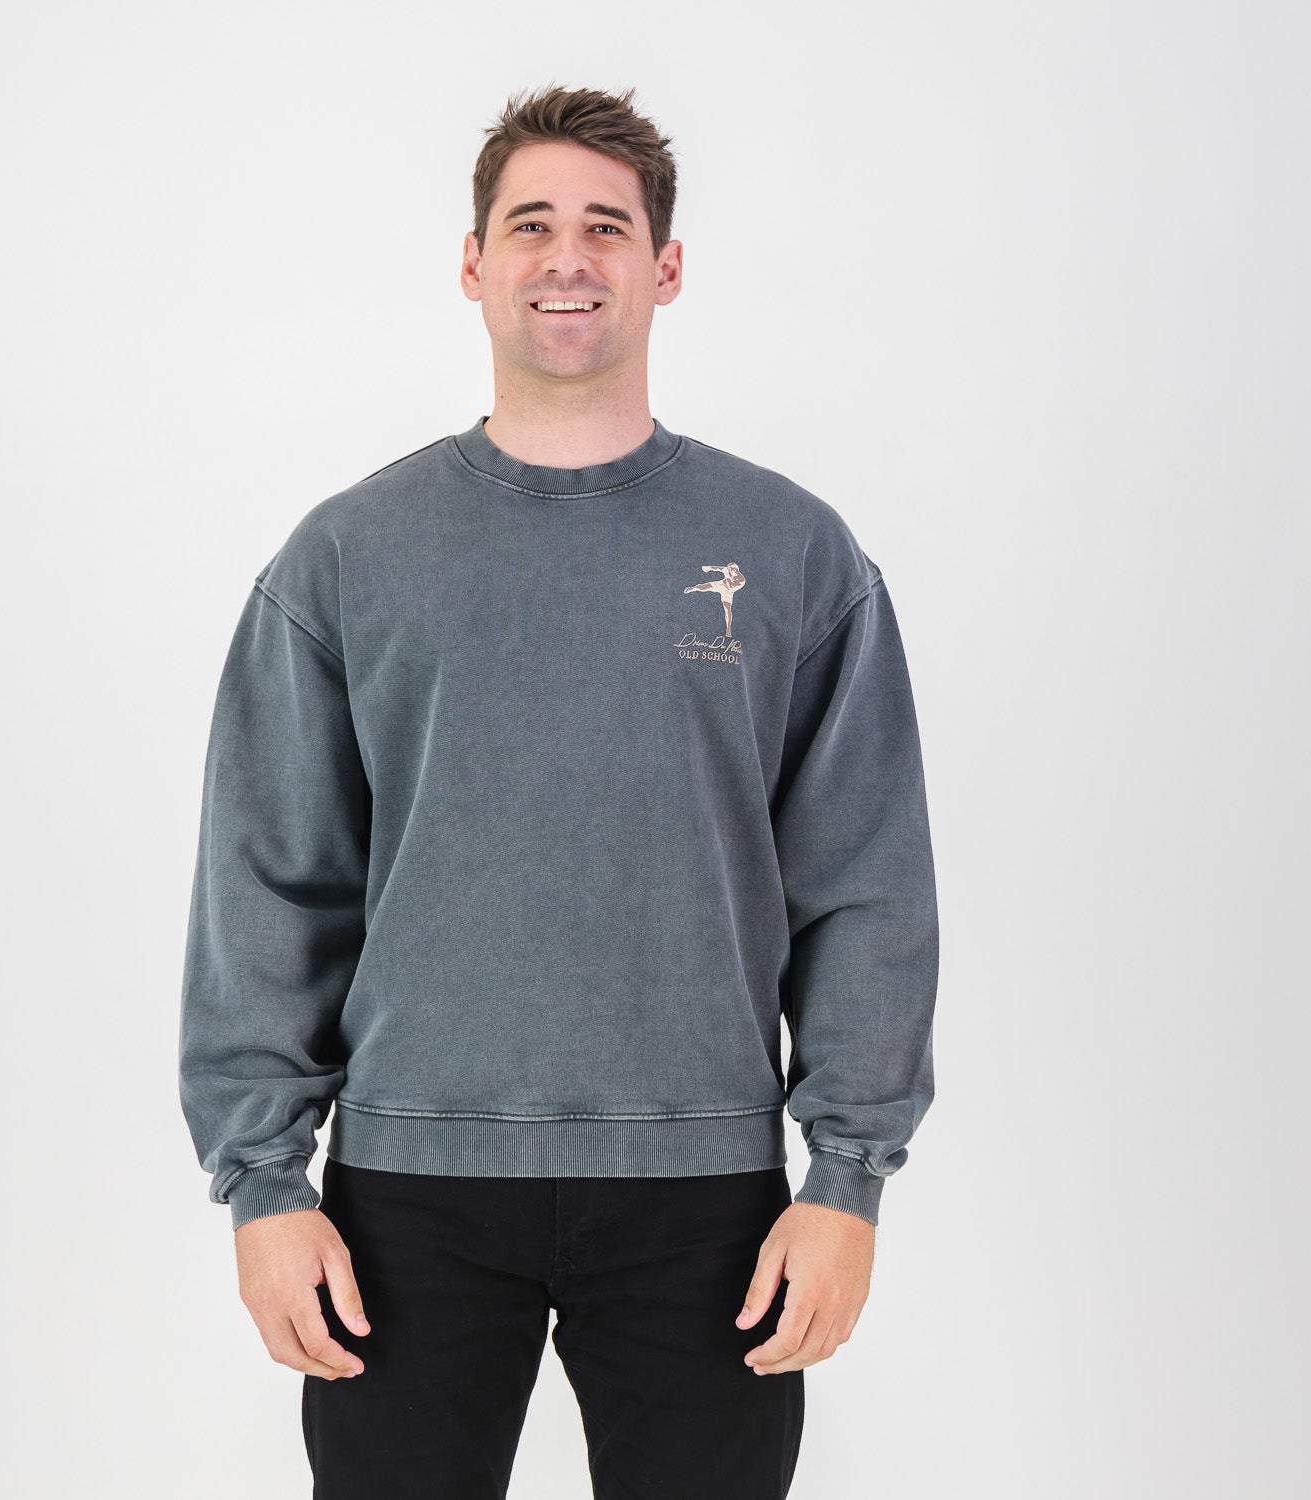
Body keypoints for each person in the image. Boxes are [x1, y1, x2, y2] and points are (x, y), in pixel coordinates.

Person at [178, 82, 940, 1499]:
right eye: (530, 224)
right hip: (408, 1194)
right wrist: (264, 1185)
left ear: (665, 267)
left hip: (705, 1197)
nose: (567, 257)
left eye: (606, 225)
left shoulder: (790, 553)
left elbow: (867, 884)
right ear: (474, 264)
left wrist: (848, 1180)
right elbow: (268, 881)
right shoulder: (349, 555)